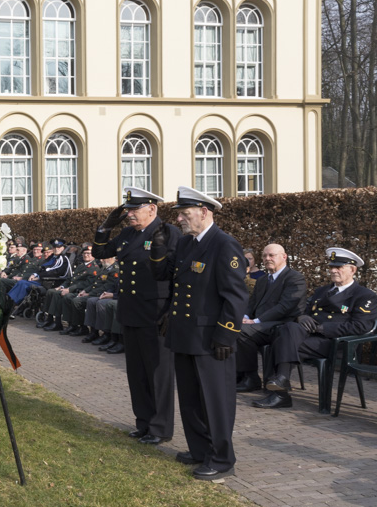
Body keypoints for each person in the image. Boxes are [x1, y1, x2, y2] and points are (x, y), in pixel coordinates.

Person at [151, 186, 246, 480]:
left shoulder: (224, 245)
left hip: (211, 338)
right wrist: (168, 312)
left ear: (204, 212)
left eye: (185, 213)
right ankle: (200, 449)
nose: (180, 218)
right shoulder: (187, 244)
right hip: (185, 333)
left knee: (216, 401)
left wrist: (226, 334)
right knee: (191, 398)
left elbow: (235, 297)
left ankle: (221, 459)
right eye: (179, 213)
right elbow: (174, 282)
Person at [93, 187, 181, 447]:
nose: (128, 214)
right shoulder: (128, 233)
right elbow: (100, 252)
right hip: (131, 311)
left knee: (158, 373)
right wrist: (104, 228)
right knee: (137, 372)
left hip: (156, 313)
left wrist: (172, 311)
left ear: (152, 209)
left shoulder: (167, 233)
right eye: (128, 209)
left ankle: (161, 427)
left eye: (134, 209)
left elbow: (177, 275)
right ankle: (143, 422)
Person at [252, 248, 377, 410]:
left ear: (352, 270)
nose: (333, 270)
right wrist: (301, 317)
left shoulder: (364, 295)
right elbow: (303, 308)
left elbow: (362, 326)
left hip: (336, 343)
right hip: (309, 339)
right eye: (332, 267)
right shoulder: (322, 291)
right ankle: (281, 382)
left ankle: (280, 392)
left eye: (339, 267)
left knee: (282, 340)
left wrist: (324, 327)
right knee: (288, 328)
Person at [234, 244, 306, 393]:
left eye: (271, 255)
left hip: (282, 326)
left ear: (284, 257)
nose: (267, 259)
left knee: (242, 331)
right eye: (265, 256)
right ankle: (238, 375)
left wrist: (255, 321)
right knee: (233, 326)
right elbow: (252, 303)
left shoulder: (295, 278)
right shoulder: (262, 279)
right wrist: (245, 316)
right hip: (261, 325)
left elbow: (285, 307)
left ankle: (251, 378)